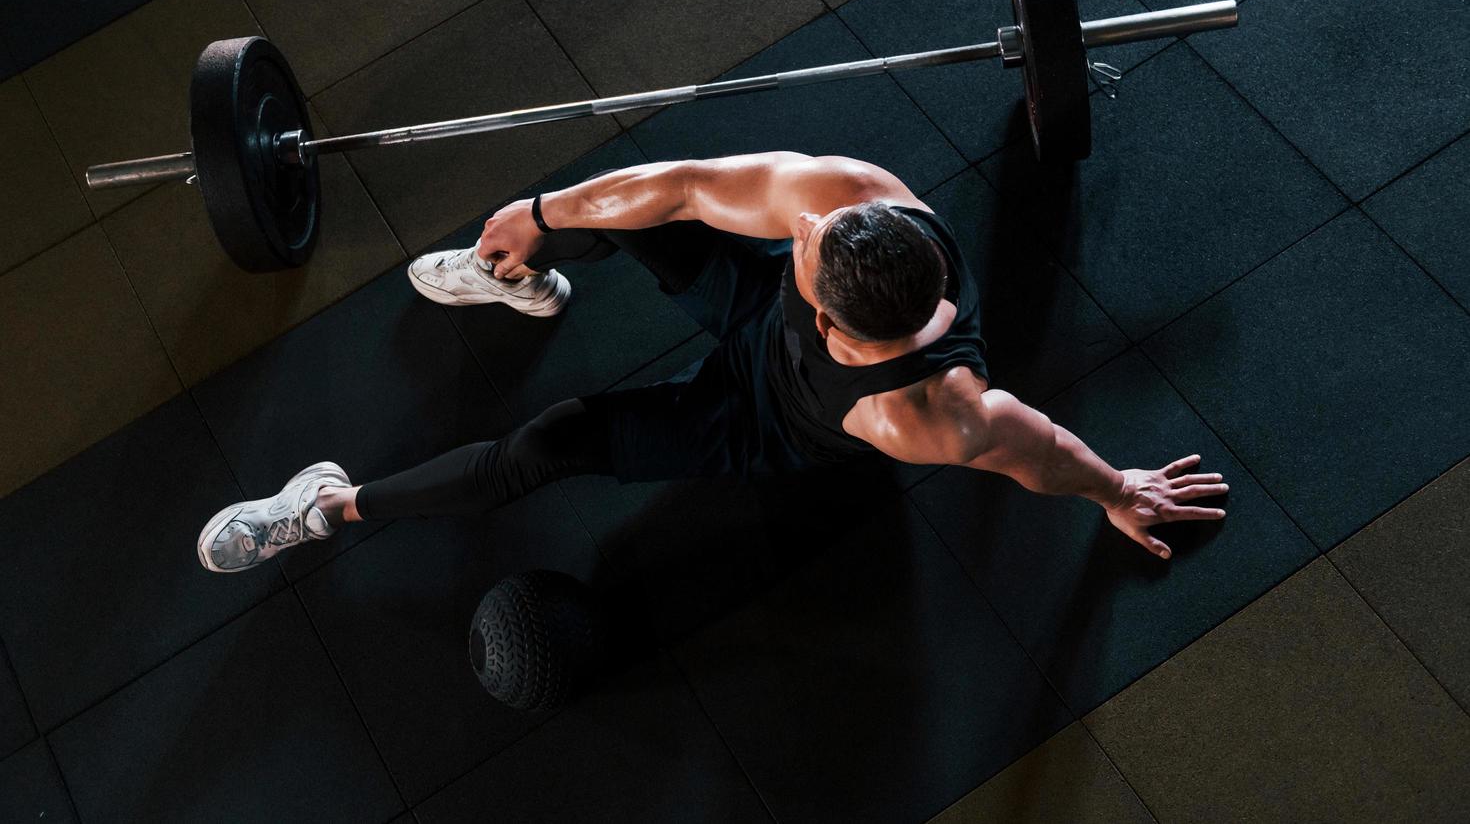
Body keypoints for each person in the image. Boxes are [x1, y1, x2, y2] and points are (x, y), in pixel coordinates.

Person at [197, 152, 1227, 573]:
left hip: (768, 419)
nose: (808, 221)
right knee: (634, 211)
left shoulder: (924, 418)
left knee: (551, 442)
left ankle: (327, 507)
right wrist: (543, 214)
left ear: (839, 326)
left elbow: (1034, 447)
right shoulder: (869, 203)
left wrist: (1117, 486)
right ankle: (517, 266)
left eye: (810, 245)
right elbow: (687, 183)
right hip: (760, 319)